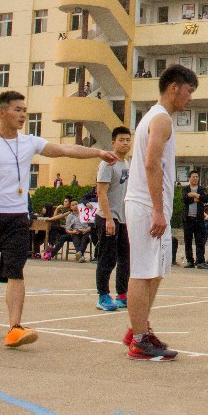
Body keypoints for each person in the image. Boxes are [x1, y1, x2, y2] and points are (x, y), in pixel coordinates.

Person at [0, 90, 119, 348]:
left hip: (18, 217)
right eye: (17, 110)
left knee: (16, 271)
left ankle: (15, 327)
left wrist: (98, 153)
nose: (22, 115)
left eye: (24, 110)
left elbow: (65, 149)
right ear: (2, 112)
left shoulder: (30, 142)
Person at [124, 65, 198, 360]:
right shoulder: (161, 119)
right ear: (174, 87)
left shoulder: (157, 118)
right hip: (146, 205)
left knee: (155, 271)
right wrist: (157, 210)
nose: (190, 97)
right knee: (143, 271)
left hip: (151, 205)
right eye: (189, 91)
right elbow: (151, 164)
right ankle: (139, 340)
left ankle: (138, 327)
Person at [95, 127, 132, 311]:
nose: (125, 143)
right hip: (108, 217)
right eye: (121, 140)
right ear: (113, 143)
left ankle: (122, 294)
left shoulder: (126, 163)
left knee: (125, 258)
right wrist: (109, 219)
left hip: (123, 219)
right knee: (107, 258)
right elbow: (101, 193)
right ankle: (103, 296)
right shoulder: (107, 163)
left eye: (128, 140)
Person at [181, 171, 208, 268]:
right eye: (193, 177)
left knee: (200, 241)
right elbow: (184, 199)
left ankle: (200, 261)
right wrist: (194, 199)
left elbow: (205, 198)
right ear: (189, 178)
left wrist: (195, 195)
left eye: (197, 177)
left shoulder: (201, 189)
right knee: (188, 241)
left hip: (199, 219)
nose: (195, 178)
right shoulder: (185, 188)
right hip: (188, 219)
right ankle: (190, 261)